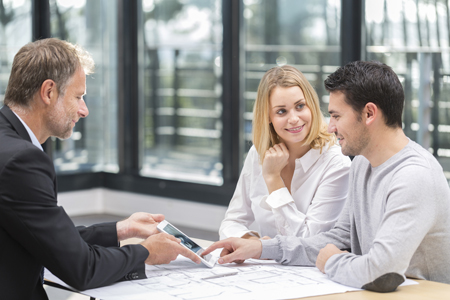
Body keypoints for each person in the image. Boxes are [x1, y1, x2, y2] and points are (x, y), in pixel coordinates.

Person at [203, 61, 450, 292]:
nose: (330, 127)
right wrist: (262, 248)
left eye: (336, 116)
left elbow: (380, 271)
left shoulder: (414, 177)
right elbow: (335, 238)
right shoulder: (363, 164)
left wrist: (332, 260)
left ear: (369, 114)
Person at [0, 38, 200, 300]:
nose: (85, 110)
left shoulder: (8, 145)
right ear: (48, 92)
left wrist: (121, 229)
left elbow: (44, 234)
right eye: (78, 96)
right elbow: (80, 268)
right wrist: (146, 252)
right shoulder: (22, 161)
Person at [219, 65, 351, 241]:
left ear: (311, 105)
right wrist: (252, 242)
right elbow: (232, 221)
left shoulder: (336, 163)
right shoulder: (258, 153)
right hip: (265, 266)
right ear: (267, 117)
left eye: (300, 106)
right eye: (281, 111)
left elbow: (309, 242)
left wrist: (273, 179)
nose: (294, 119)